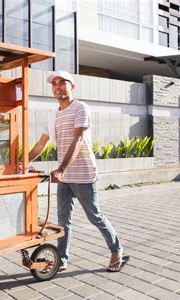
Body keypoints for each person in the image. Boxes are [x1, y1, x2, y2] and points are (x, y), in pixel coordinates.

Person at [28, 70, 129, 272]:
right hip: (65, 179)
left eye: (62, 82)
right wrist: (21, 163)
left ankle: (116, 249)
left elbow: (78, 139)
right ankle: (62, 259)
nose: (57, 86)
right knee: (63, 221)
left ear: (71, 87)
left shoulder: (80, 108)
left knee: (94, 216)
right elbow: (41, 144)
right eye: (54, 83)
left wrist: (62, 168)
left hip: (84, 175)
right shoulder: (53, 114)